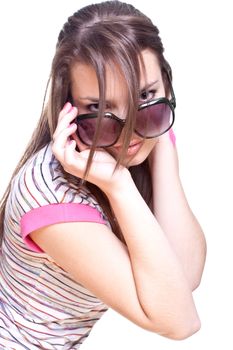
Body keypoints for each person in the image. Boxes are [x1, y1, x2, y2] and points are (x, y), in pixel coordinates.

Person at [0, 1, 206, 348]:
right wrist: (121, 186)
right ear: (68, 106)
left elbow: (183, 278)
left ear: (167, 86)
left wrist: (162, 143)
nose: (129, 134)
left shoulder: (147, 134)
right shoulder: (51, 193)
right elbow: (179, 321)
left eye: (145, 95)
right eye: (98, 109)